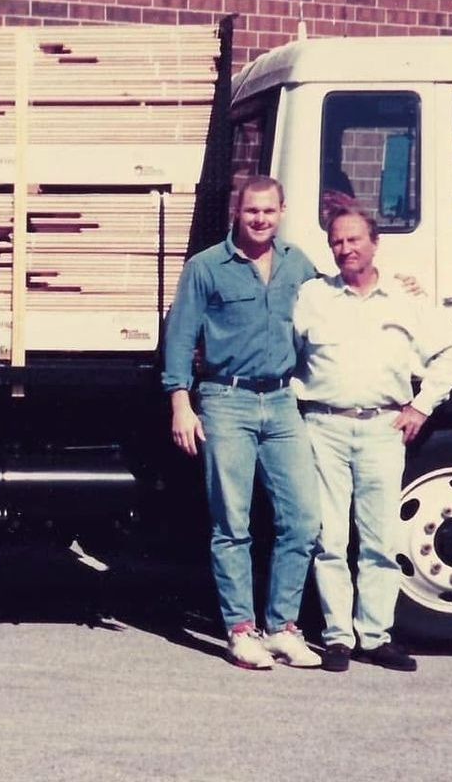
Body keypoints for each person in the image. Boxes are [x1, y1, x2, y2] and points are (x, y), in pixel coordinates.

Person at [293, 209, 452, 672]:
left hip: (382, 429)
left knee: (379, 539)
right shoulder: (312, 297)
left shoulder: (405, 300)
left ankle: (375, 635)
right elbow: (285, 353)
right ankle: (336, 638)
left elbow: (451, 352)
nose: (345, 249)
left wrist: (421, 405)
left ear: (375, 242)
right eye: (336, 242)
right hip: (323, 427)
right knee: (328, 537)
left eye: (354, 240)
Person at [163, 175, 324, 670]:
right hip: (225, 400)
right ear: (238, 211)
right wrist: (180, 404)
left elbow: (337, 306)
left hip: (280, 404)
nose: (260, 219)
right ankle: (240, 630)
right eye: (252, 211)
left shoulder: (299, 265)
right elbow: (180, 333)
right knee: (231, 524)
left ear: (282, 211)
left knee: (303, 520)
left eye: (269, 211)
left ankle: (283, 628)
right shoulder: (207, 267)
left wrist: (402, 282)